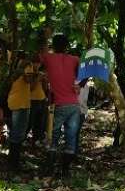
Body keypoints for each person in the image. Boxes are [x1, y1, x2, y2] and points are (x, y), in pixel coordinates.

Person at [40, 33, 81, 177]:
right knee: (71, 136)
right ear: (67, 46)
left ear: (54, 46)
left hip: (58, 104)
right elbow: (86, 71)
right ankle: (65, 170)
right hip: (74, 105)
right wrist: (80, 84)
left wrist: (45, 34)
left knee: (53, 136)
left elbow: (39, 53)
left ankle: (50, 168)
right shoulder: (75, 59)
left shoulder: (48, 58)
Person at [6, 55, 33, 171]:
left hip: (17, 102)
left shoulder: (13, 70)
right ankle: (13, 164)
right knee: (17, 134)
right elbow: (29, 80)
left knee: (16, 133)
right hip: (20, 104)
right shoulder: (24, 69)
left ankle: (13, 161)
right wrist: (36, 76)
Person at [28, 56, 48, 148]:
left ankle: (36, 140)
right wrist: (37, 78)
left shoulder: (40, 73)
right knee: (30, 122)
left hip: (41, 99)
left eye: (39, 63)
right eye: (35, 62)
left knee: (40, 122)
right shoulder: (29, 73)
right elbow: (30, 88)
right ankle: (25, 139)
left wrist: (44, 81)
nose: (37, 64)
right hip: (32, 100)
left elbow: (45, 89)